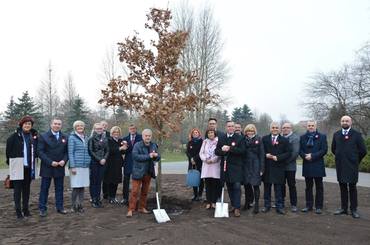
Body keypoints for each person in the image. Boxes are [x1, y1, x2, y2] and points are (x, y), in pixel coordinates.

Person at [332, 115, 367, 219]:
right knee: (342, 187)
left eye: (347, 121)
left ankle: (353, 209)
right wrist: (340, 157)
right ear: (340, 122)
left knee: (352, 187)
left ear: (351, 122)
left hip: (352, 165)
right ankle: (343, 208)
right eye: (343, 121)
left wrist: (356, 160)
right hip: (341, 165)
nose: (345, 122)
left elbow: (363, 151)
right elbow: (334, 149)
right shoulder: (336, 134)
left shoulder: (356, 135)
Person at [6, 116, 38, 219]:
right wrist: (12, 164)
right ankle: (18, 212)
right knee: (17, 191)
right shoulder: (13, 137)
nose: (27, 125)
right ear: (21, 124)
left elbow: (36, 150)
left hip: (29, 167)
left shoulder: (34, 137)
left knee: (26, 190)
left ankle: (26, 210)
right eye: (26, 124)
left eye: (29, 124)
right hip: (17, 166)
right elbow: (8, 152)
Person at [38, 118, 68, 217]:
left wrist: (64, 160)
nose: (57, 125)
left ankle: (60, 207)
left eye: (59, 124)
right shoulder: (43, 136)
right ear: (51, 125)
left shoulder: (64, 137)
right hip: (47, 167)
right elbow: (40, 152)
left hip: (60, 166)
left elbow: (66, 152)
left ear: (61, 126)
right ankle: (42, 208)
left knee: (59, 189)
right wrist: (50, 162)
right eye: (55, 124)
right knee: (44, 189)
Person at [127, 129, 160, 217]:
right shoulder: (137, 145)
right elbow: (135, 156)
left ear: (151, 136)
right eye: (146, 135)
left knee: (145, 192)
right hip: (138, 171)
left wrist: (156, 156)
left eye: (149, 136)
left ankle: (142, 208)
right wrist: (149, 156)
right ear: (143, 136)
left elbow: (158, 157)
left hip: (148, 172)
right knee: (134, 192)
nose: (148, 137)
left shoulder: (153, 145)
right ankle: (131, 209)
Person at [215, 121, 245, 217]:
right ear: (226, 127)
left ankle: (237, 208)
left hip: (236, 167)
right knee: (230, 187)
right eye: (229, 126)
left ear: (234, 127)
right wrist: (222, 150)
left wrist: (230, 148)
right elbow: (217, 151)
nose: (231, 128)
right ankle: (233, 205)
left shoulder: (240, 138)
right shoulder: (222, 138)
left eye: (232, 126)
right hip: (225, 167)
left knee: (236, 187)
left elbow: (242, 151)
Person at [261, 122, 291, 215]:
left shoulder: (284, 140)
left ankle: (279, 206)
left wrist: (278, 157)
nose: (275, 129)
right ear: (270, 128)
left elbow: (288, 153)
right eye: (273, 127)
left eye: (276, 128)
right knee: (267, 188)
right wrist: (265, 155)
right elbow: (261, 151)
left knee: (278, 189)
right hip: (268, 167)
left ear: (279, 129)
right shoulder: (264, 139)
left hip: (279, 167)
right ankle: (267, 205)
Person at [299, 120, 327, 214]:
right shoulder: (302, 137)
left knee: (319, 187)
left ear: (315, 126)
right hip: (307, 165)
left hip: (318, 165)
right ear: (307, 127)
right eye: (309, 125)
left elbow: (324, 150)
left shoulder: (322, 137)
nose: (311, 127)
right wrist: (305, 156)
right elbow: (300, 150)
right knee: (308, 187)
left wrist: (312, 156)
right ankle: (308, 205)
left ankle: (318, 206)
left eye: (312, 125)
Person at [68, 120, 91, 213]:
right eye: (78, 126)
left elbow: (88, 151)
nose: (80, 127)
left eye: (81, 125)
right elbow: (71, 152)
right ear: (75, 127)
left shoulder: (86, 138)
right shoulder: (72, 138)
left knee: (82, 187)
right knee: (76, 186)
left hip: (85, 166)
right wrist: (72, 166)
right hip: (76, 166)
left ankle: (80, 205)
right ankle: (73, 206)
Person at [243, 124, 264, 214]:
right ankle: (247, 203)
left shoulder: (259, 139)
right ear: (246, 132)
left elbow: (262, 154)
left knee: (255, 185)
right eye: (248, 131)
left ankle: (256, 205)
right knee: (247, 185)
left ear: (254, 131)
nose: (250, 133)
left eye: (252, 131)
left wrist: (262, 169)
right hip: (246, 165)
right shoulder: (243, 139)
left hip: (256, 164)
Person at [88, 123, 109, 208]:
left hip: (103, 163)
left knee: (99, 182)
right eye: (97, 129)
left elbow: (107, 150)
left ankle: (98, 199)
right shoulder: (91, 138)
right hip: (94, 163)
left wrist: (104, 159)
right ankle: (94, 200)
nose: (99, 130)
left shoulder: (105, 138)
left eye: (100, 128)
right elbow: (90, 151)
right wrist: (99, 159)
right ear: (94, 129)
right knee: (93, 182)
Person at [199, 129, 221, 209]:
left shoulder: (218, 141)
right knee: (208, 185)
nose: (210, 134)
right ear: (207, 134)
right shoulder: (205, 142)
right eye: (209, 133)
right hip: (207, 165)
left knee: (215, 185)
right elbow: (201, 153)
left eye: (212, 132)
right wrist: (205, 159)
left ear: (214, 133)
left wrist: (213, 160)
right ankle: (208, 202)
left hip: (215, 165)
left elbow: (219, 153)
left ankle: (214, 202)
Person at [121, 124, 142, 205]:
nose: (132, 130)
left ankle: (136, 198)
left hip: (138, 163)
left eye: (134, 129)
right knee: (126, 181)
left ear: (136, 129)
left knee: (137, 181)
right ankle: (125, 198)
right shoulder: (124, 139)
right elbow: (122, 152)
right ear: (128, 130)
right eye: (131, 129)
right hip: (128, 162)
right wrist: (124, 147)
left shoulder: (140, 138)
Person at [105, 126, 127, 204]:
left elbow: (123, 152)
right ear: (112, 133)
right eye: (114, 132)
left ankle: (113, 197)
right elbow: (110, 150)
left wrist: (125, 147)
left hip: (118, 163)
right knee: (110, 180)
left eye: (117, 132)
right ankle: (110, 197)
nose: (116, 134)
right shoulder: (109, 140)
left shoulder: (121, 141)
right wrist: (120, 148)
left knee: (116, 181)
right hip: (110, 163)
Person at [281, 122, 300, 212]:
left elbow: (295, 153)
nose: (285, 129)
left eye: (287, 127)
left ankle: (293, 204)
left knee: (291, 185)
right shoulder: (280, 137)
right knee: (281, 185)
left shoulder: (295, 138)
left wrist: (284, 161)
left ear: (291, 128)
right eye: (284, 127)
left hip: (290, 167)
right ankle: (281, 202)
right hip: (280, 167)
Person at [186, 128, 204, 201]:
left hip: (200, 163)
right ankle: (195, 195)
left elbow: (201, 152)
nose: (195, 134)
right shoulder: (190, 142)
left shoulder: (202, 142)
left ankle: (200, 195)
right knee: (194, 178)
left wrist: (195, 159)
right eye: (194, 133)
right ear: (192, 134)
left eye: (196, 132)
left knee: (200, 179)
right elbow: (187, 152)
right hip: (191, 163)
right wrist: (191, 159)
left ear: (199, 134)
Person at [100, 120, 110, 200]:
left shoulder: (109, 134)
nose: (104, 126)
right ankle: (97, 195)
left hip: (107, 159)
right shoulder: (96, 134)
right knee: (98, 178)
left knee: (106, 178)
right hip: (98, 158)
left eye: (106, 125)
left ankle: (106, 194)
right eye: (103, 125)